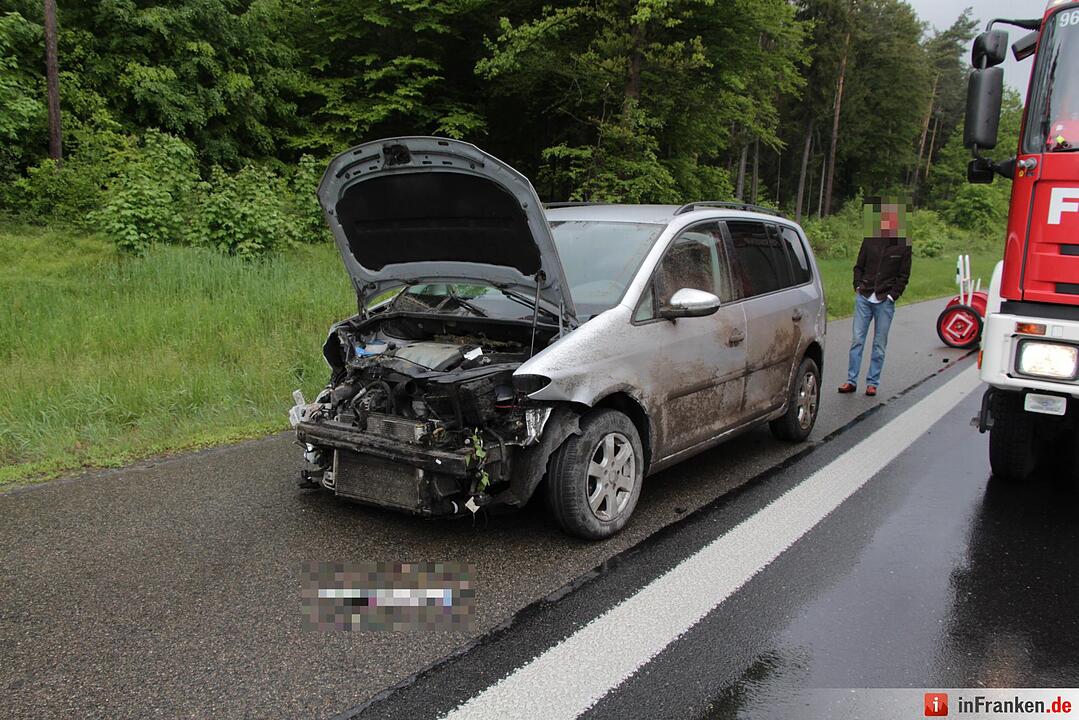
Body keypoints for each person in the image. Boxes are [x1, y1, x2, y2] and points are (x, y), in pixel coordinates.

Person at [838, 199, 911, 397]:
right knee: (857, 340)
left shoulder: (903, 245)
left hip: (884, 300)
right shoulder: (870, 240)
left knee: (879, 344)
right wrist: (857, 285)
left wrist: (892, 295)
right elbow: (858, 266)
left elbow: (904, 276)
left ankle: (872, 383)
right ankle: (851, 380)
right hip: (864, 295)